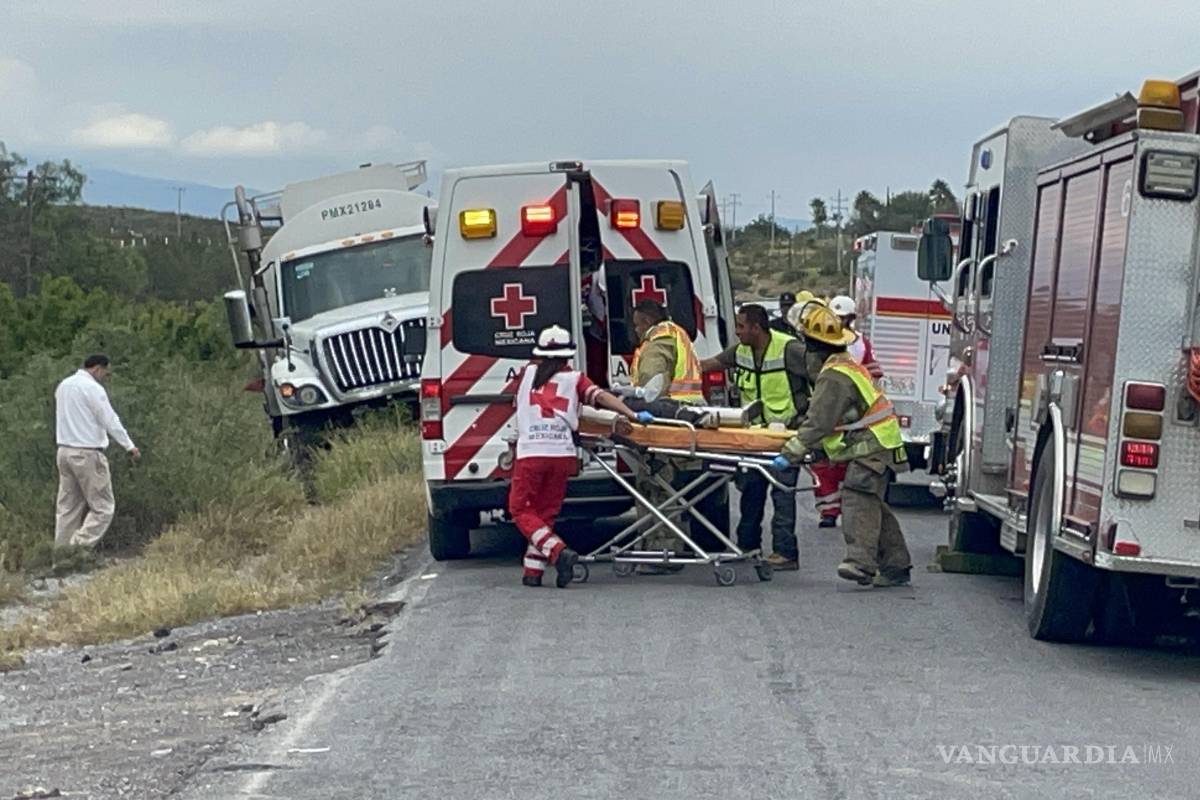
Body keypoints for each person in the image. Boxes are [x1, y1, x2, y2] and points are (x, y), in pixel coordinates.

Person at [772, 306, 912, 588]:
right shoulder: (843, 364)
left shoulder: (834, 375)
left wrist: (790, 452)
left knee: (858, 496)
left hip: (872, 443)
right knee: (873, 503)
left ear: (809, 344)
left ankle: (860, 564)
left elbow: (820, 421)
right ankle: (896, 565)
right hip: (881, 440)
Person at [509, 325, 649, 588]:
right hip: (562, 455)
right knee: (545, 513)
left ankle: (559, 552)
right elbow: (602, 397)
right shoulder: (575, 379)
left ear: (539, 354)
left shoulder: (525, 375)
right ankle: (533, 573)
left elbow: (515, 400)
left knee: (520, 510)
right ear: (567, 356)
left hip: (532, 454)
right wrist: (631, 414)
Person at [700, 304, 809, 571]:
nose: (737, 332)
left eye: (740, 326)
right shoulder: (741, 352)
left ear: (756, 328)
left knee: (783, 494)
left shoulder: (789, 349)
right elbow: (710, 364)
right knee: (750, 488)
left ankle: (786, 552)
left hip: (785, 435)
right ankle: (748, 546)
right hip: (754, 438)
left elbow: (820, 376)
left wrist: (810, 418)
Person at [629, 300, 706, 574]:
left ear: (647, 322)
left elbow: (651, 385)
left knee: (657, 484)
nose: (637, 331)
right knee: (670, 486)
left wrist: (631, 401)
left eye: (638, 325)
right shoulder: (678, 334)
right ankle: (669, 546)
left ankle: (662, 551)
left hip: (668, 424)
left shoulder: (658, 340)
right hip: (686, 420)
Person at [54, 354, 141, 551]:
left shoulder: (64, 386)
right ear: (97, 369)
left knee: (68, 508)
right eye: (105, 373)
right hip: (87, 453)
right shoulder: (92, 388)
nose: (105, 377)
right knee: (103, 507)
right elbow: (109, 419)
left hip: (64, 451)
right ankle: (77, 548)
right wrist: (129, 445)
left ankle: (60, 552)